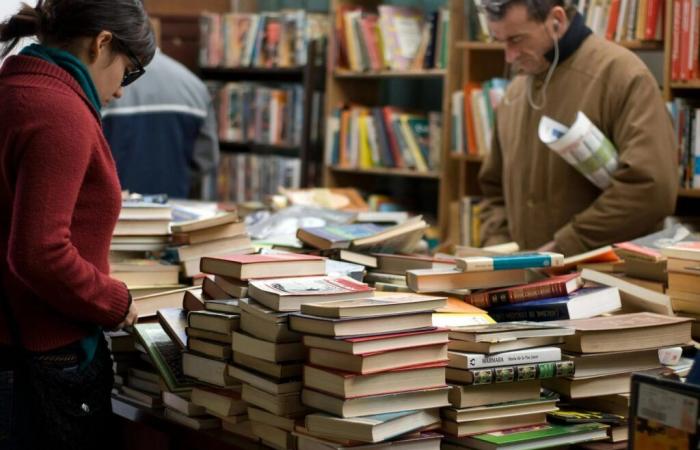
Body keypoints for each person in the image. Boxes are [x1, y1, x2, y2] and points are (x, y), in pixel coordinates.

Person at [0, 0, 155, 448]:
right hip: (39, 357)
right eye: (128, 70)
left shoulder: (15, 90)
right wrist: (113, 301)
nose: (122, 90)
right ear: (102, 42)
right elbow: (39, 253)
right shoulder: (59, 111)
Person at [477, 0, 678, 255]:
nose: (509, 56)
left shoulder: (622, 76)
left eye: (516, 39)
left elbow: (651, 190)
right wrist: (497, 250)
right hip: (522, 280)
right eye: (500, 41)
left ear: (556, 20)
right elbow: (494, 190)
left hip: (605, 281)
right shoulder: (515, 92)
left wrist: (568, 244)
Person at [102, 48, 219, 200]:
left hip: (118, 209)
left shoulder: (106, 85)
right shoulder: (194, 86)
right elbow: (206, 158)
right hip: (173, 206)